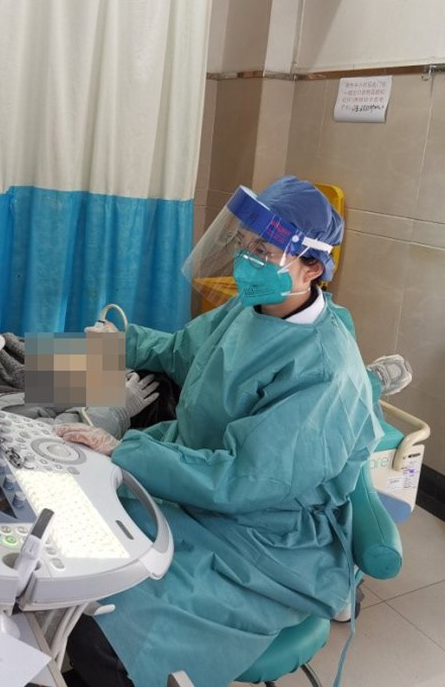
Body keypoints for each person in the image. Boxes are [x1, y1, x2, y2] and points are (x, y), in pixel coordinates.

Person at [57, 176, 384, 687]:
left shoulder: (324, 372)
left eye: (264, 252)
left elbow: (243, 480)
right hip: (191, 483)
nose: (246, 262)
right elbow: (181, 351)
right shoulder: (250, 308)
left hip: (258, 536)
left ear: (313, 268)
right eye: (245, 246)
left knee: (107, 627)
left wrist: (125, 448)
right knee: (67, 551)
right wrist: (119, 344)